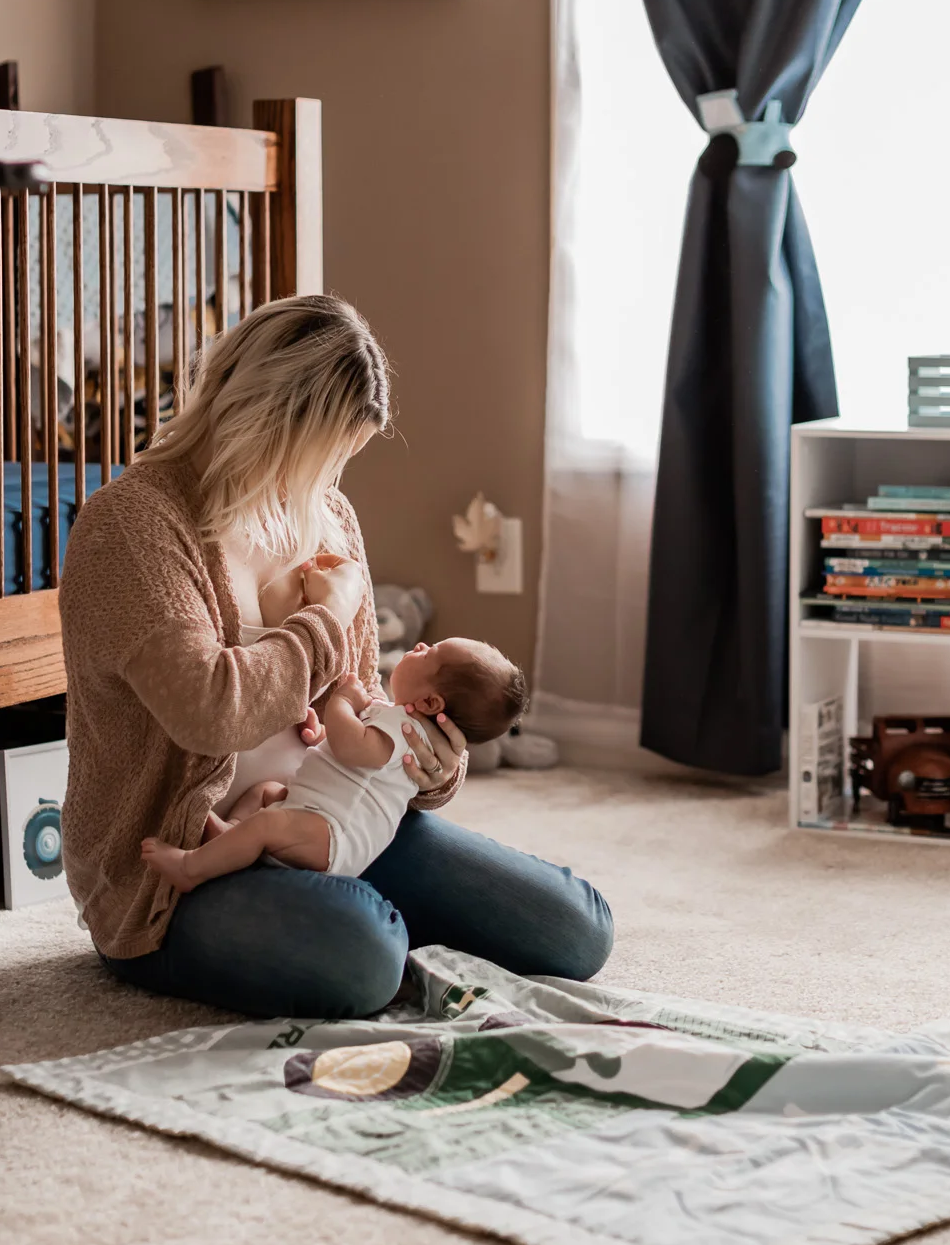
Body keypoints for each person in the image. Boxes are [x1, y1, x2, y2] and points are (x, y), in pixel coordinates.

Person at [58, 293, 612, 1018]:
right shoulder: (134, 526)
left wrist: (432, 764)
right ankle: (340, 918)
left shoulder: (326, 512)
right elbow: (209, 714)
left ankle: (341, 909)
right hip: (184, 866)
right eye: (320, 458)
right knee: (362, 960)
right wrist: (330, 611)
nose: (326, 486)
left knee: (576, 932)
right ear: (263, 424)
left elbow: (368, 698)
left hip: (335, 819)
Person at [140, 634, 525, 887]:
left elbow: (354, 750)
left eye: (432, 653)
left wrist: (340, 704)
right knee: (266, 793)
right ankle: (232, 836)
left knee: (270, 821)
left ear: (429, 703)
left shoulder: (405, 729)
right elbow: (360, 764)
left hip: (334, 836)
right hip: (316, 814)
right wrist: (323, 737)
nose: (421, 645)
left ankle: (191, 869)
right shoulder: (396, 723)